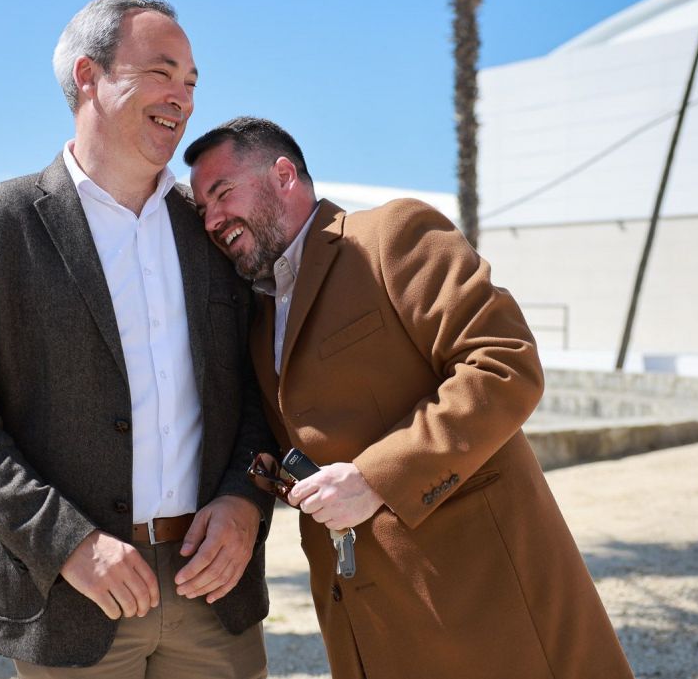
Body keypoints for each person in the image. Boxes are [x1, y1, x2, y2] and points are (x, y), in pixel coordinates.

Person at [184, 116, 635, 679]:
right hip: (366, 618)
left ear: (283, 175)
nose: (213, 219)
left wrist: (374, 478)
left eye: (223, 192)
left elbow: (504, 363)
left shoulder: (390, 235)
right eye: (203, 209)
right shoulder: (258, 313)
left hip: (482, 597)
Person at [0, 0, 275, 678]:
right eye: (161, 73)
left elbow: (258, 383)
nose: (183, 98)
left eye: (191, 81)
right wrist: (68, 544)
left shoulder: (213, 228)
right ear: (88, 76)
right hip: (72, 596)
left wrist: (245, 500)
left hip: (212, 588)